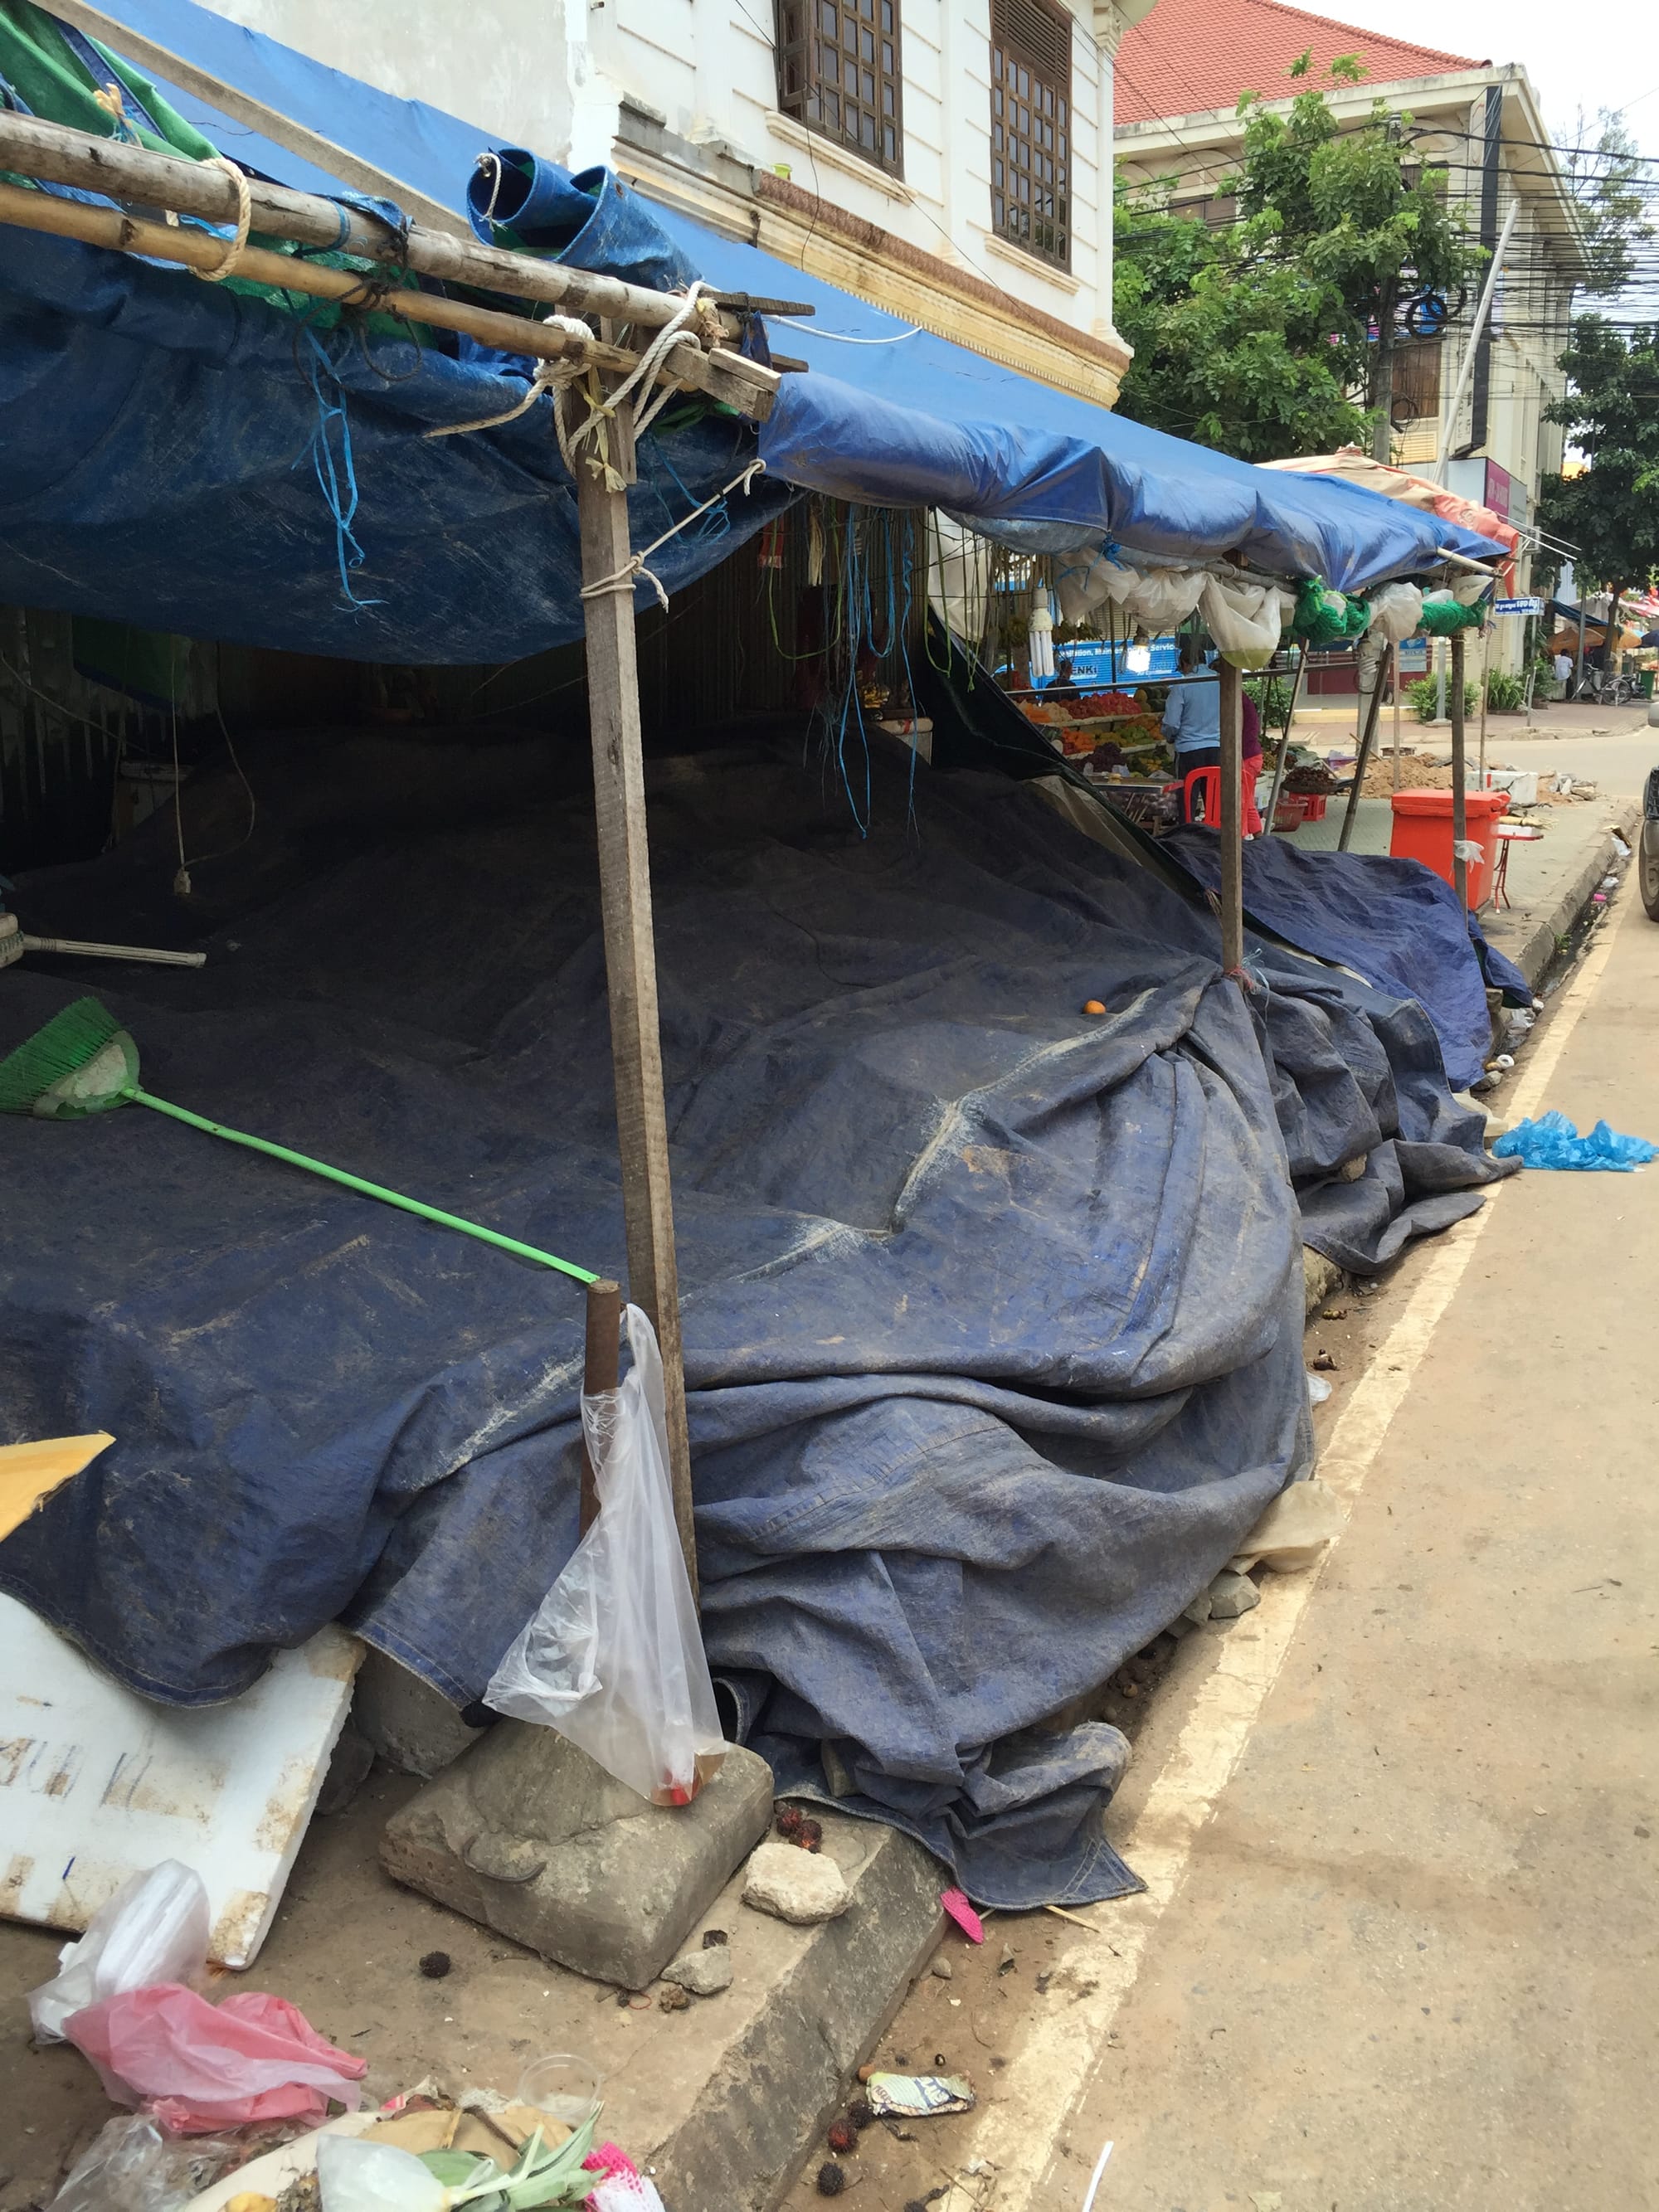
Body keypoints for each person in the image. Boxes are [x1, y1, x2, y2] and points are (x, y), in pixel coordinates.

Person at [1162, 634, 1221, 820]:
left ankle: (1188, 837)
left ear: (1185, 663)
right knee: (1212, 802)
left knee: (1187, 801)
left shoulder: (1182, 685)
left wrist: (1169, 736)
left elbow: (1171, 723)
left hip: (1189, 752)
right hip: (1216, 750)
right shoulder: (1222, 682)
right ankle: (1214, 837)